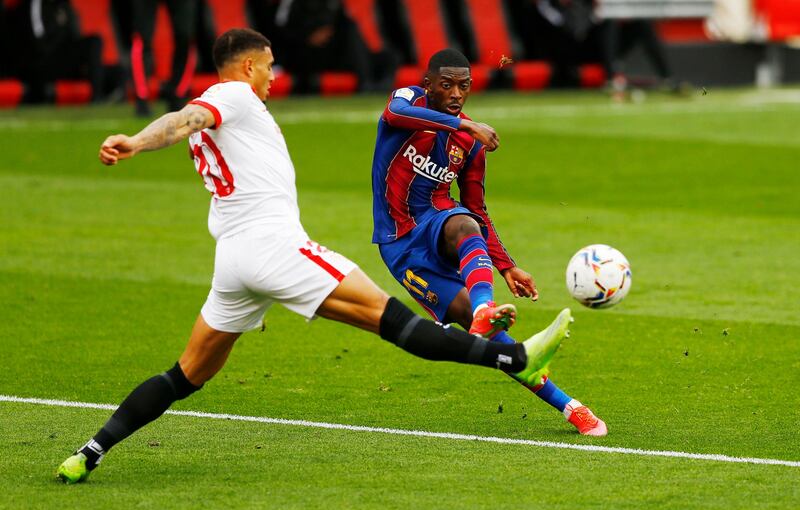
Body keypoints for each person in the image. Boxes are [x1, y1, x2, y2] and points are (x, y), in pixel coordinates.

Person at [56, 29, 574, 484]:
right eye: (271, 65)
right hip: (275, 247)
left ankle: (89, 452)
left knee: (185, 375)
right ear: (249, 65)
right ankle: (518, 357)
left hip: (233, 261)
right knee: (389, 319)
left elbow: (189, 122)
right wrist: (137, 141)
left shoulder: (232, 110)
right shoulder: (233, 95)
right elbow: (183, 118)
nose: (274, 77)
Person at [370, 49, 607, 436]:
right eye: (446, 85)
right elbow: (394, 116)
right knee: (496, 343)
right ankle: (570, 406)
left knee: (464, 223)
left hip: (439, 222)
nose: (456, 94)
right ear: (428, 83)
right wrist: (463, 126)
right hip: (400, 245)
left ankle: (485, 306)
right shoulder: (408, 101)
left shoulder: (471, 143)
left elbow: (476, 207)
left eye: (464, 86)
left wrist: (507, 265)